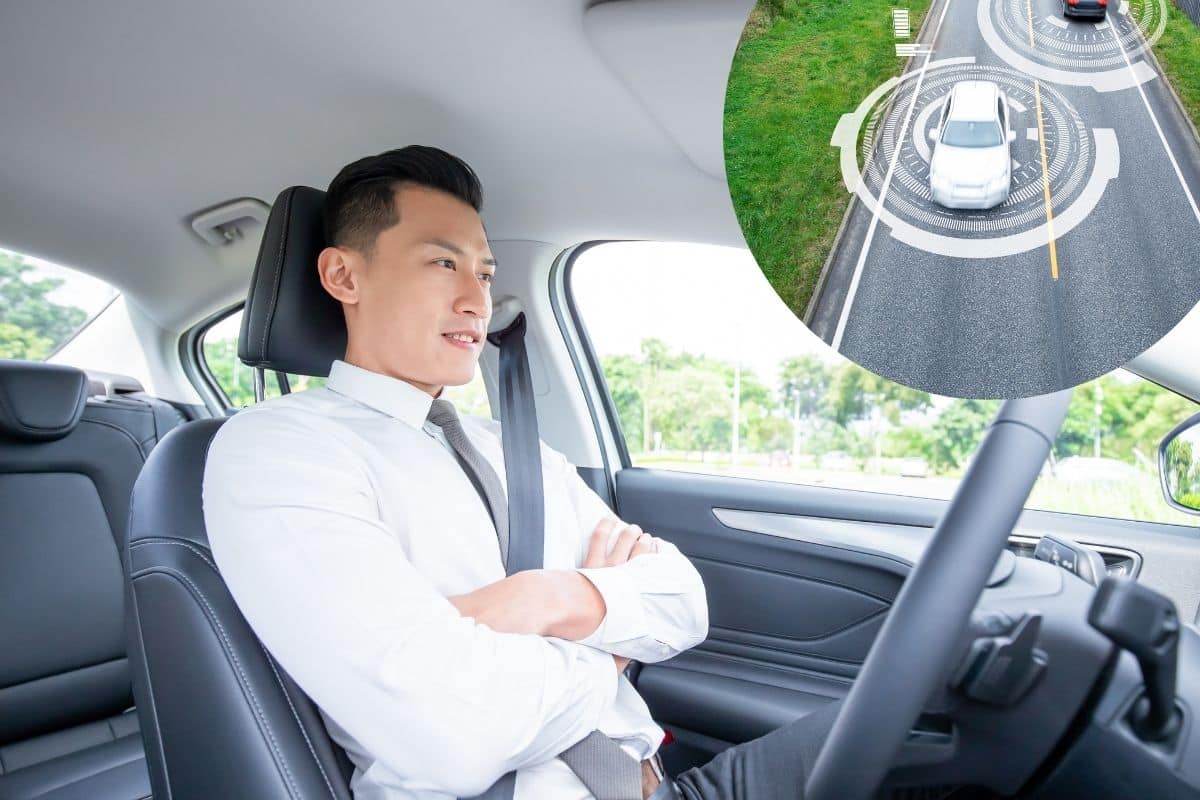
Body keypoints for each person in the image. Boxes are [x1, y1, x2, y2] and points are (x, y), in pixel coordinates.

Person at [203, 146, 843, 800]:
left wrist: (548, 598)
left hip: (667, 787)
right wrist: (610, 651)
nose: (475, 298)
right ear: (343, 276)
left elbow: (681, 601)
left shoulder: (517, 449)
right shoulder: (278, 451)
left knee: (919, 730)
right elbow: (453, 735)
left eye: (483, 273)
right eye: (442, 262)